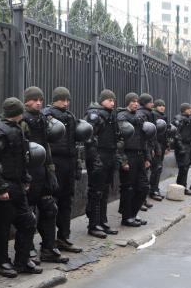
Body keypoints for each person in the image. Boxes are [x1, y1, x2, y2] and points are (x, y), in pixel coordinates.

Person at [0, 98, 39, 278]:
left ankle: (22, 260)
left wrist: (25, 178)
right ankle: (1, 262)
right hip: (5, 186)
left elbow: (22, 157)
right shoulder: (0, 130)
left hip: (16, 184)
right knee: (2, 227)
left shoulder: (17, 128)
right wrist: (1, 187)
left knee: (28, 221)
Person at [22, 87, 67, 264]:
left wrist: (51, 170)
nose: (38, 102)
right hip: (29, 171)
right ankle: (28, 249)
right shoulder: (23, 120)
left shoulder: (43, 119)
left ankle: (49, 248)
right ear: (26, 101)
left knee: (50, 208)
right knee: (28, 213)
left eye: (40, 99)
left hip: (43, 170)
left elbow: (46, 146)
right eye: (34, 99)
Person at [43, 87, 82, 253]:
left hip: (69, 163)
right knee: (51, 204)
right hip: (55, 163)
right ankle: (49, 241)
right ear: (55, 99)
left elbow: (74, 143)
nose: (65, 103)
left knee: (67, 202)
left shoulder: (71, 116)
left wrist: (77, 163)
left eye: (67, 100)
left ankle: (63, 237)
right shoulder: (47, 115)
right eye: (62, 99)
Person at [83, 90, 123, 236]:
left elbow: (118, 136)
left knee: (105, 191)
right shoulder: (95, 115)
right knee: (96, 191)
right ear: (102, 101)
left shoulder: (112, 115)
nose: (112, 103)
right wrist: (95, 159)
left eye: (113, 100)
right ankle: (93, 224)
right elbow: (89, 139)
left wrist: (117, 152)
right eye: (109, 100)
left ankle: (102, 221)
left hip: (110, 156)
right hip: (99, 156)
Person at [117, 93, 150, 227]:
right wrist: (123, 160)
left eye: (137, 101)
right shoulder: (122, 117)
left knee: (143, 187)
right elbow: (119, 141)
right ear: (128, 102)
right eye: (133, 101)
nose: (135, 103)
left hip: (139, 155)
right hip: (128, 156)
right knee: (128, 188)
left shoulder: (140, 116)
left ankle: (134, 214)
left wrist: (147, 157)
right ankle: (126, 217)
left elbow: (145, 138)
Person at [139, 94, 164, 202]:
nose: (152, 104)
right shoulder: (142, 114)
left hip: (153, 145)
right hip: (145, 147)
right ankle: (142, 198)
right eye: (150, 102)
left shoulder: (151, 113)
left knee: (157, 168)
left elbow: (154, 133)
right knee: (144, 173)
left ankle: (153, 190)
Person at [172, 102, 191, 196]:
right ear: (184, 109)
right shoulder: (179, 119)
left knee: (186, 167)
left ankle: (182, 186)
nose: (190, 110)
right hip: (182, 146)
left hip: (189, 145)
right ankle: (181, 186)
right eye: (188, 108)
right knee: (183, 167)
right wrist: (181, 147)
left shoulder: (190, 118)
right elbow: (176, 134)